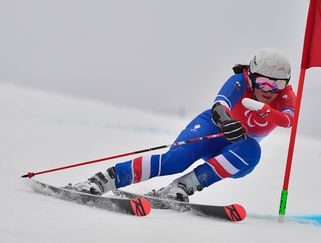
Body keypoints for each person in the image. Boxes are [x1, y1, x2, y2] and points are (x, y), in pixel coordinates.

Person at [69, 49, 296, 202]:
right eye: (263, 82)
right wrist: (227, 122)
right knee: (176, 160)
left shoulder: (284, 95)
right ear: (252, 76)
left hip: (234, 149)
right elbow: (219, 107)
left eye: (277, 84)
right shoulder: (239, 81)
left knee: (252, 152)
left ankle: (180, 188)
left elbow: (287, 120)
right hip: (212, 129)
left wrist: (264, 110)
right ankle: (104, 180)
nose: (269, 90)